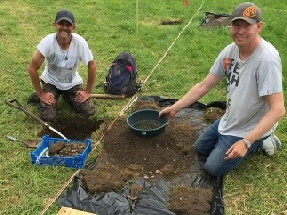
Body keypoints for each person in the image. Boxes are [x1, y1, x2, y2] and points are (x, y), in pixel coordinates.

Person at [159, 2, 285, 177]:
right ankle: (246, 137)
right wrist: (176, 107)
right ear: (230, 25)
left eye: (246, 26)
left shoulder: (266, 60)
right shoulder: (229, 53)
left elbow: (278, 109)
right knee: (199, 149)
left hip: (248, 128)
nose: (240, 31)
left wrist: (246, 142)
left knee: (212, 168)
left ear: (259, 27)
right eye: (236, 25)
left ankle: (263, 139)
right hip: (231, 120)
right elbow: (205, 85)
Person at [28, 9, 96, 122]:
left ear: (73, 27)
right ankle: (37, 96)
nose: (64, 28)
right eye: (61, 24)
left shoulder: (80, 43)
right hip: (51, 82)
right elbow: (32, 68)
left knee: (89, 111)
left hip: (71, 83)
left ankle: (66, 95)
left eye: (68, 25)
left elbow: (92, 66)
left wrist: (87, 91)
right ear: (55, 24)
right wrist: (41, 94)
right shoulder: (47, 43)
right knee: (48, 117)